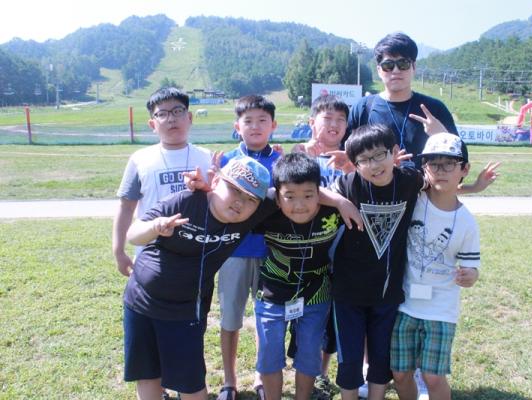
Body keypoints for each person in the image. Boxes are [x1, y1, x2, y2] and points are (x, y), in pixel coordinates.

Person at [124, 155, 363, 400]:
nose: (240, 202)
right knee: (148, 374)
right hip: (140, 301)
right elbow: (133, 234)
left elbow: (298, 189)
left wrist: (340, 202)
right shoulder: (185, 201)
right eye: (234, 190)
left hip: (187, 307)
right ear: (216, 181)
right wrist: (155, 226)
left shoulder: (255, 211)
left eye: (250, 198)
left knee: (190, 382)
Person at [330, 125, 497, 400]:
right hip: (371, 296)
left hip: (405, 299)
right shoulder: (363, 187)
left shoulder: (411, 184)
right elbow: (318, 192)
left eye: (380, 155)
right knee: (373, 365)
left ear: (394, 152)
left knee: (404, 367)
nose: (374, 164)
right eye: (364, 159)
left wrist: (476, 187)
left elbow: (443, 187)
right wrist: (340, 201)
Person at [253, 152, 356, 400]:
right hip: (272, 293)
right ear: (277, 197)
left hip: (316, 294)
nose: (299, 205)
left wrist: (340, 202)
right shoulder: (265, 209)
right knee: (268, 354)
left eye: (308, 196)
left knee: (309, 354)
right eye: (289, 197)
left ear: (319, 192)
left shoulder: (333, 212)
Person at [391, 133, 481, 400]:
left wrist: (470, 276)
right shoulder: (413, 201)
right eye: (433, 163)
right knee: (400, 374)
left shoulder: (466, 222)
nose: (440, 171)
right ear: (424, 168)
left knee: (432, 376)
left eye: (449, 164)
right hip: (405, 305)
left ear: (464, 169)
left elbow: (472, 266)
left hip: (441, 310)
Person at [216, 95, 280, 400]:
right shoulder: (225, 161)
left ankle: (260, 376)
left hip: (271, 254)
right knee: (230, 319)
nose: (255, 126)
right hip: (233, 253)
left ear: (273, 125)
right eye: (248, 121)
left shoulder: (281, 162)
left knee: (266, 321)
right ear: (237, 126)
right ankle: (229, 381)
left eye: (262, 120)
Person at [112, 87, 212, 277]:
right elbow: (126, 207)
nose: (171, 119)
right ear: (152, 124)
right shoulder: (140, 159)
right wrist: (119, 252)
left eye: (177, 111)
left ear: (190, 117)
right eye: (162, 114)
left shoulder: (207, 157)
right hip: (151, 254)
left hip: (196, 254)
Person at [345, 32, 458, 170]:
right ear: (379, 70)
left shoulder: (435, 109)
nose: (396, 70)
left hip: (424, 184)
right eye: (388, 65)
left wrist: (443, 135)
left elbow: (459, 163)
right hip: (374, 184)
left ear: (414, 67)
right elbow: (347, 158)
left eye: (403, 63)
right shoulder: (363, 108)